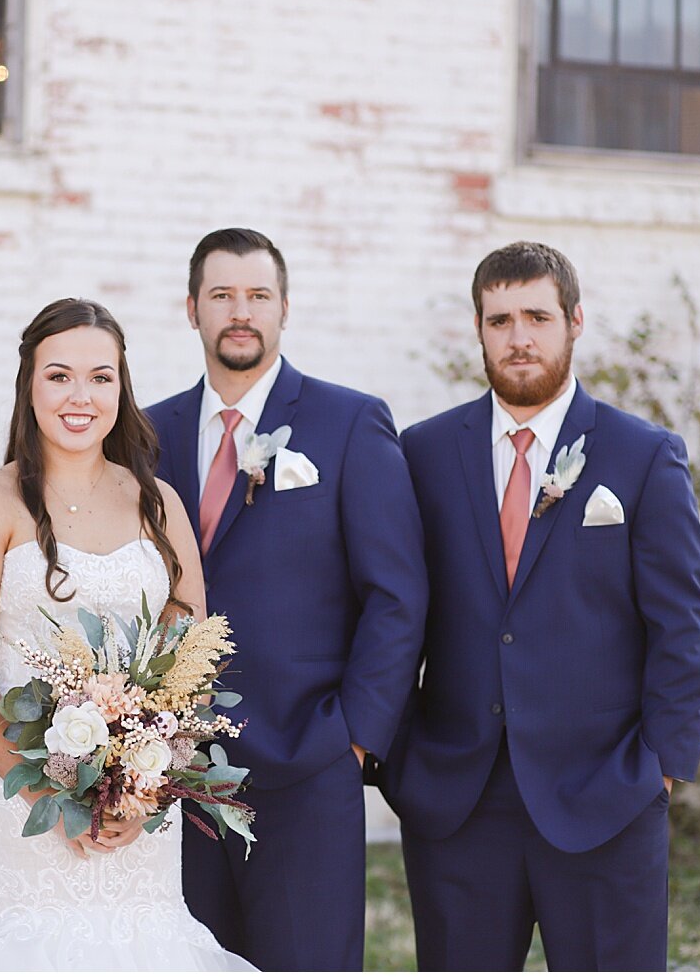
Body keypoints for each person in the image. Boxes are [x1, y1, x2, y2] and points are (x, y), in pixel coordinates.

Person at [385, 241, 700, 970]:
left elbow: (683, 622)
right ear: (478, 329)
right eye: (499, 319)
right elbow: (393, 606)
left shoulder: (643, 455)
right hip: (458, 798)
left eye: (536, 315)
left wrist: (662, 762)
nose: (519, 337)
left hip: (608, 790)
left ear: (574, 321)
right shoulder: (423, 452)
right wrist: (397, 748)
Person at [0, 298, 254, 970]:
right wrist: (47, 791)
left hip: (138, 817)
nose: (81, 396)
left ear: (121, 389)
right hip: (18, 799)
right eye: (59, 375)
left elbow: (190, 661)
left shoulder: (159, 502)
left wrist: (140, 789)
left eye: (102, 377)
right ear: (29, 385)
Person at [145, 228, 428, 970]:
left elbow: (396, 594)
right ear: (191, 309)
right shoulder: (143, 431)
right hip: (170, 776)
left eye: (258, 296)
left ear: (284, 309)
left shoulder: (348, 423)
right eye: (222, 296)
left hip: (308, 767)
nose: (241, 312)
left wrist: (354, 739)